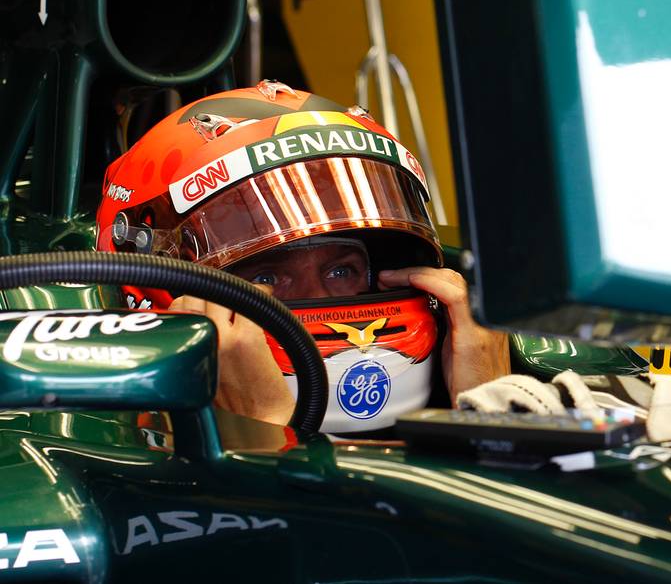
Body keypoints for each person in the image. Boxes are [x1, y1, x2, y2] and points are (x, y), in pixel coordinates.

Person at [97, 81, 509, 432]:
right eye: (267, 279)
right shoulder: (97, 440)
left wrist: (490, 406)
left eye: (341, 270)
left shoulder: (484, 362)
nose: (320, 298)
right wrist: (261, 431)